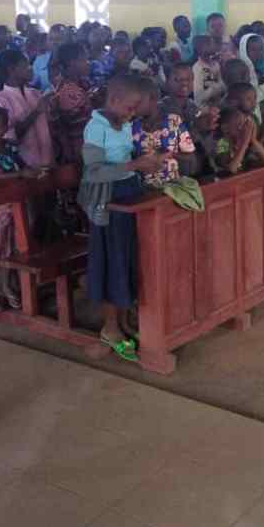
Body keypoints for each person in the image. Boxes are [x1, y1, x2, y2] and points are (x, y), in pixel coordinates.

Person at [78, 74, 169, 361]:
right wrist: (133, 165)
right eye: (130, 108)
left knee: (130, 259)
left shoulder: (125, 122)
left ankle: (127, 318)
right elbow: (93, 172)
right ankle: (111, 327)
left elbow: (128, 158)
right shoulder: (96, 128)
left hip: (129, 193)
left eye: (136, 109)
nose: (132, 114)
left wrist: (150, 161)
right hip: (108, 202)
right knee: (112, 262)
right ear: (114, 99)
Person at [0, 107, 46, 313]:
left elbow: (22, 166)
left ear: (6, 128)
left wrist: (35, 171)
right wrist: (20, 175)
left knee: (9, 247)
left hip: (13, 203)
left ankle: (6, 287)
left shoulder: (10, 147)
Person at [0, 50, 53, 168]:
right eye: (26, 65)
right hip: (24, 168)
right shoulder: (0, 99)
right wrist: (36, 112)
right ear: (11, 69)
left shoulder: (35, 93)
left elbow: (48, 125)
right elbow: (8, 139)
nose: (31, 68)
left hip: (48, 160)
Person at [131, 78, 198, 188]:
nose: (133, 106)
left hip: (174, 187)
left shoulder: (174, 121)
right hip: (145, 190)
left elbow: (190, 156)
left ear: (153, 99)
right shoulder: (132, 128)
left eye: (138, 102)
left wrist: (168, 154)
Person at [52, 42, 94, 164]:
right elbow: (82, 122)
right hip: (80, 149)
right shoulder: (68, 91)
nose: (88, 63)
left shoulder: (82, 83)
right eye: (84, 60)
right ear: (72, 63)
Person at [212, 107, 264, 175]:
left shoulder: (241, 143)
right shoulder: (221, 143)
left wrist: (253, 140)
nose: (244, 129)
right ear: (225, 128)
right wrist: (244, 143)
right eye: (239, 125)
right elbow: (231, 169)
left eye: (245, 125)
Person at [192, 35, 224, 107]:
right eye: (211, 44)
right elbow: (199, 96)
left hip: (218, 105)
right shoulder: (197, 68)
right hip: (204, 108)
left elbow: (222, 86)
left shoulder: (216, 64)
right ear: (201, 48)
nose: (214, 46)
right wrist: (217, 88)